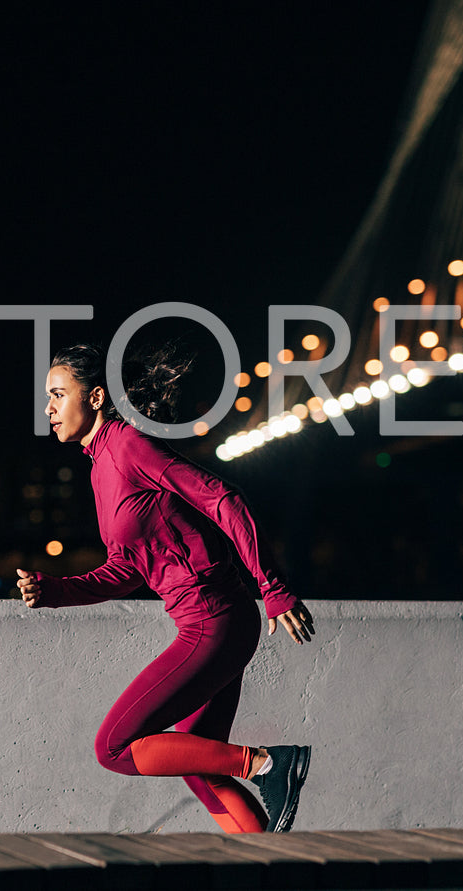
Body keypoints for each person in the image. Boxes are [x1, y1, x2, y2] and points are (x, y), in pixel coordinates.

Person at [16, 342, 316, 833]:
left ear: (93, 398)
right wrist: (58, 591)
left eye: (57, 394)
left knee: (113, 747)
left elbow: (223, 499)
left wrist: (274, 587)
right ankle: (271, 869)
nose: (48, 408)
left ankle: (267, 764)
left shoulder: (128, 445)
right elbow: (127, 569)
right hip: (215, 619)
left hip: (212, 619)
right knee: (201, 769)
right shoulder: (100, 466)